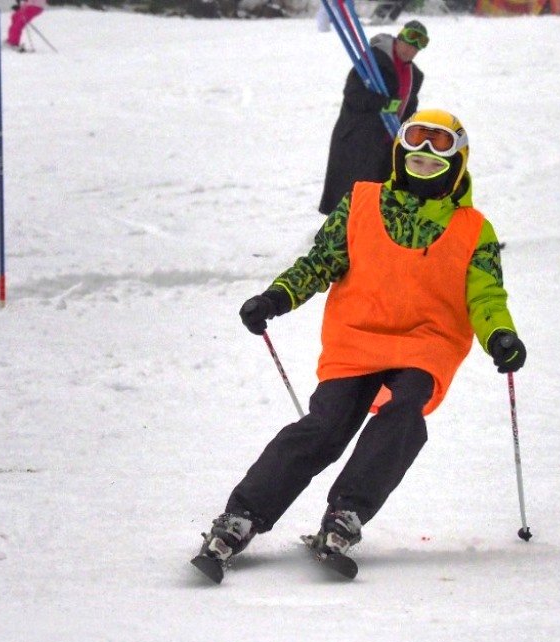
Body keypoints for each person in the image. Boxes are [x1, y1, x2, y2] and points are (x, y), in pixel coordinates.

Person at [192, 109, 527, 582]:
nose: (424, 161)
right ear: (399, 156)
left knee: (404, 411)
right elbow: (320, 262)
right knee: (325, 426)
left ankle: (346, 512)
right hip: (357, 339)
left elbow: (486, 296)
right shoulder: (361, 203)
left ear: (456, 166)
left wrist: (500, 336)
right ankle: (241, 516)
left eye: (437, 157)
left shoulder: (474, 229)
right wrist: (276, 297)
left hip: (426, 343)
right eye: (416, 153)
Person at [318, 20, 429, 215]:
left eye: (416, 48)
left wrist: (411, 133)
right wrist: (383, 103)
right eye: (408, 44)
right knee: (351, 200)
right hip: (358, 140)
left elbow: (409, 108)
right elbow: (353, 94)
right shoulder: (373, 61)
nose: (410, 50)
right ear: (399, 38)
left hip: (388, 145)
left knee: (378, 202)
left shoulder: (415, 75)